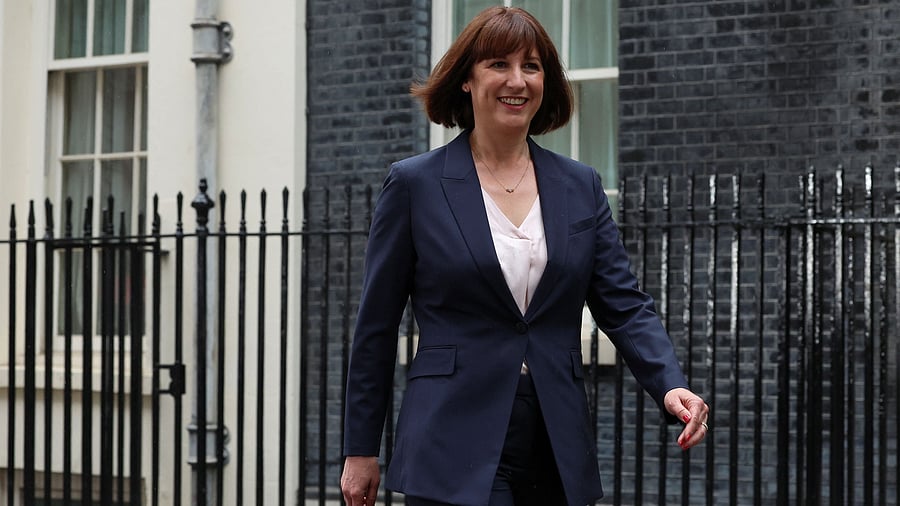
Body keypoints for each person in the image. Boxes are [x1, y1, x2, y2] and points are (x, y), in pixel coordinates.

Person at [340, 6, 709, 506]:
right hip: (452, 439)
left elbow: (623, 303)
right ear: (467, 80)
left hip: (555, 437)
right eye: (498, 64)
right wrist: (360, 449)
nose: (517, 80)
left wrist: (669, 385)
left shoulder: (580, 186)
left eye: (531, 66)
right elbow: (376, 328)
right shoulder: (415, 185)